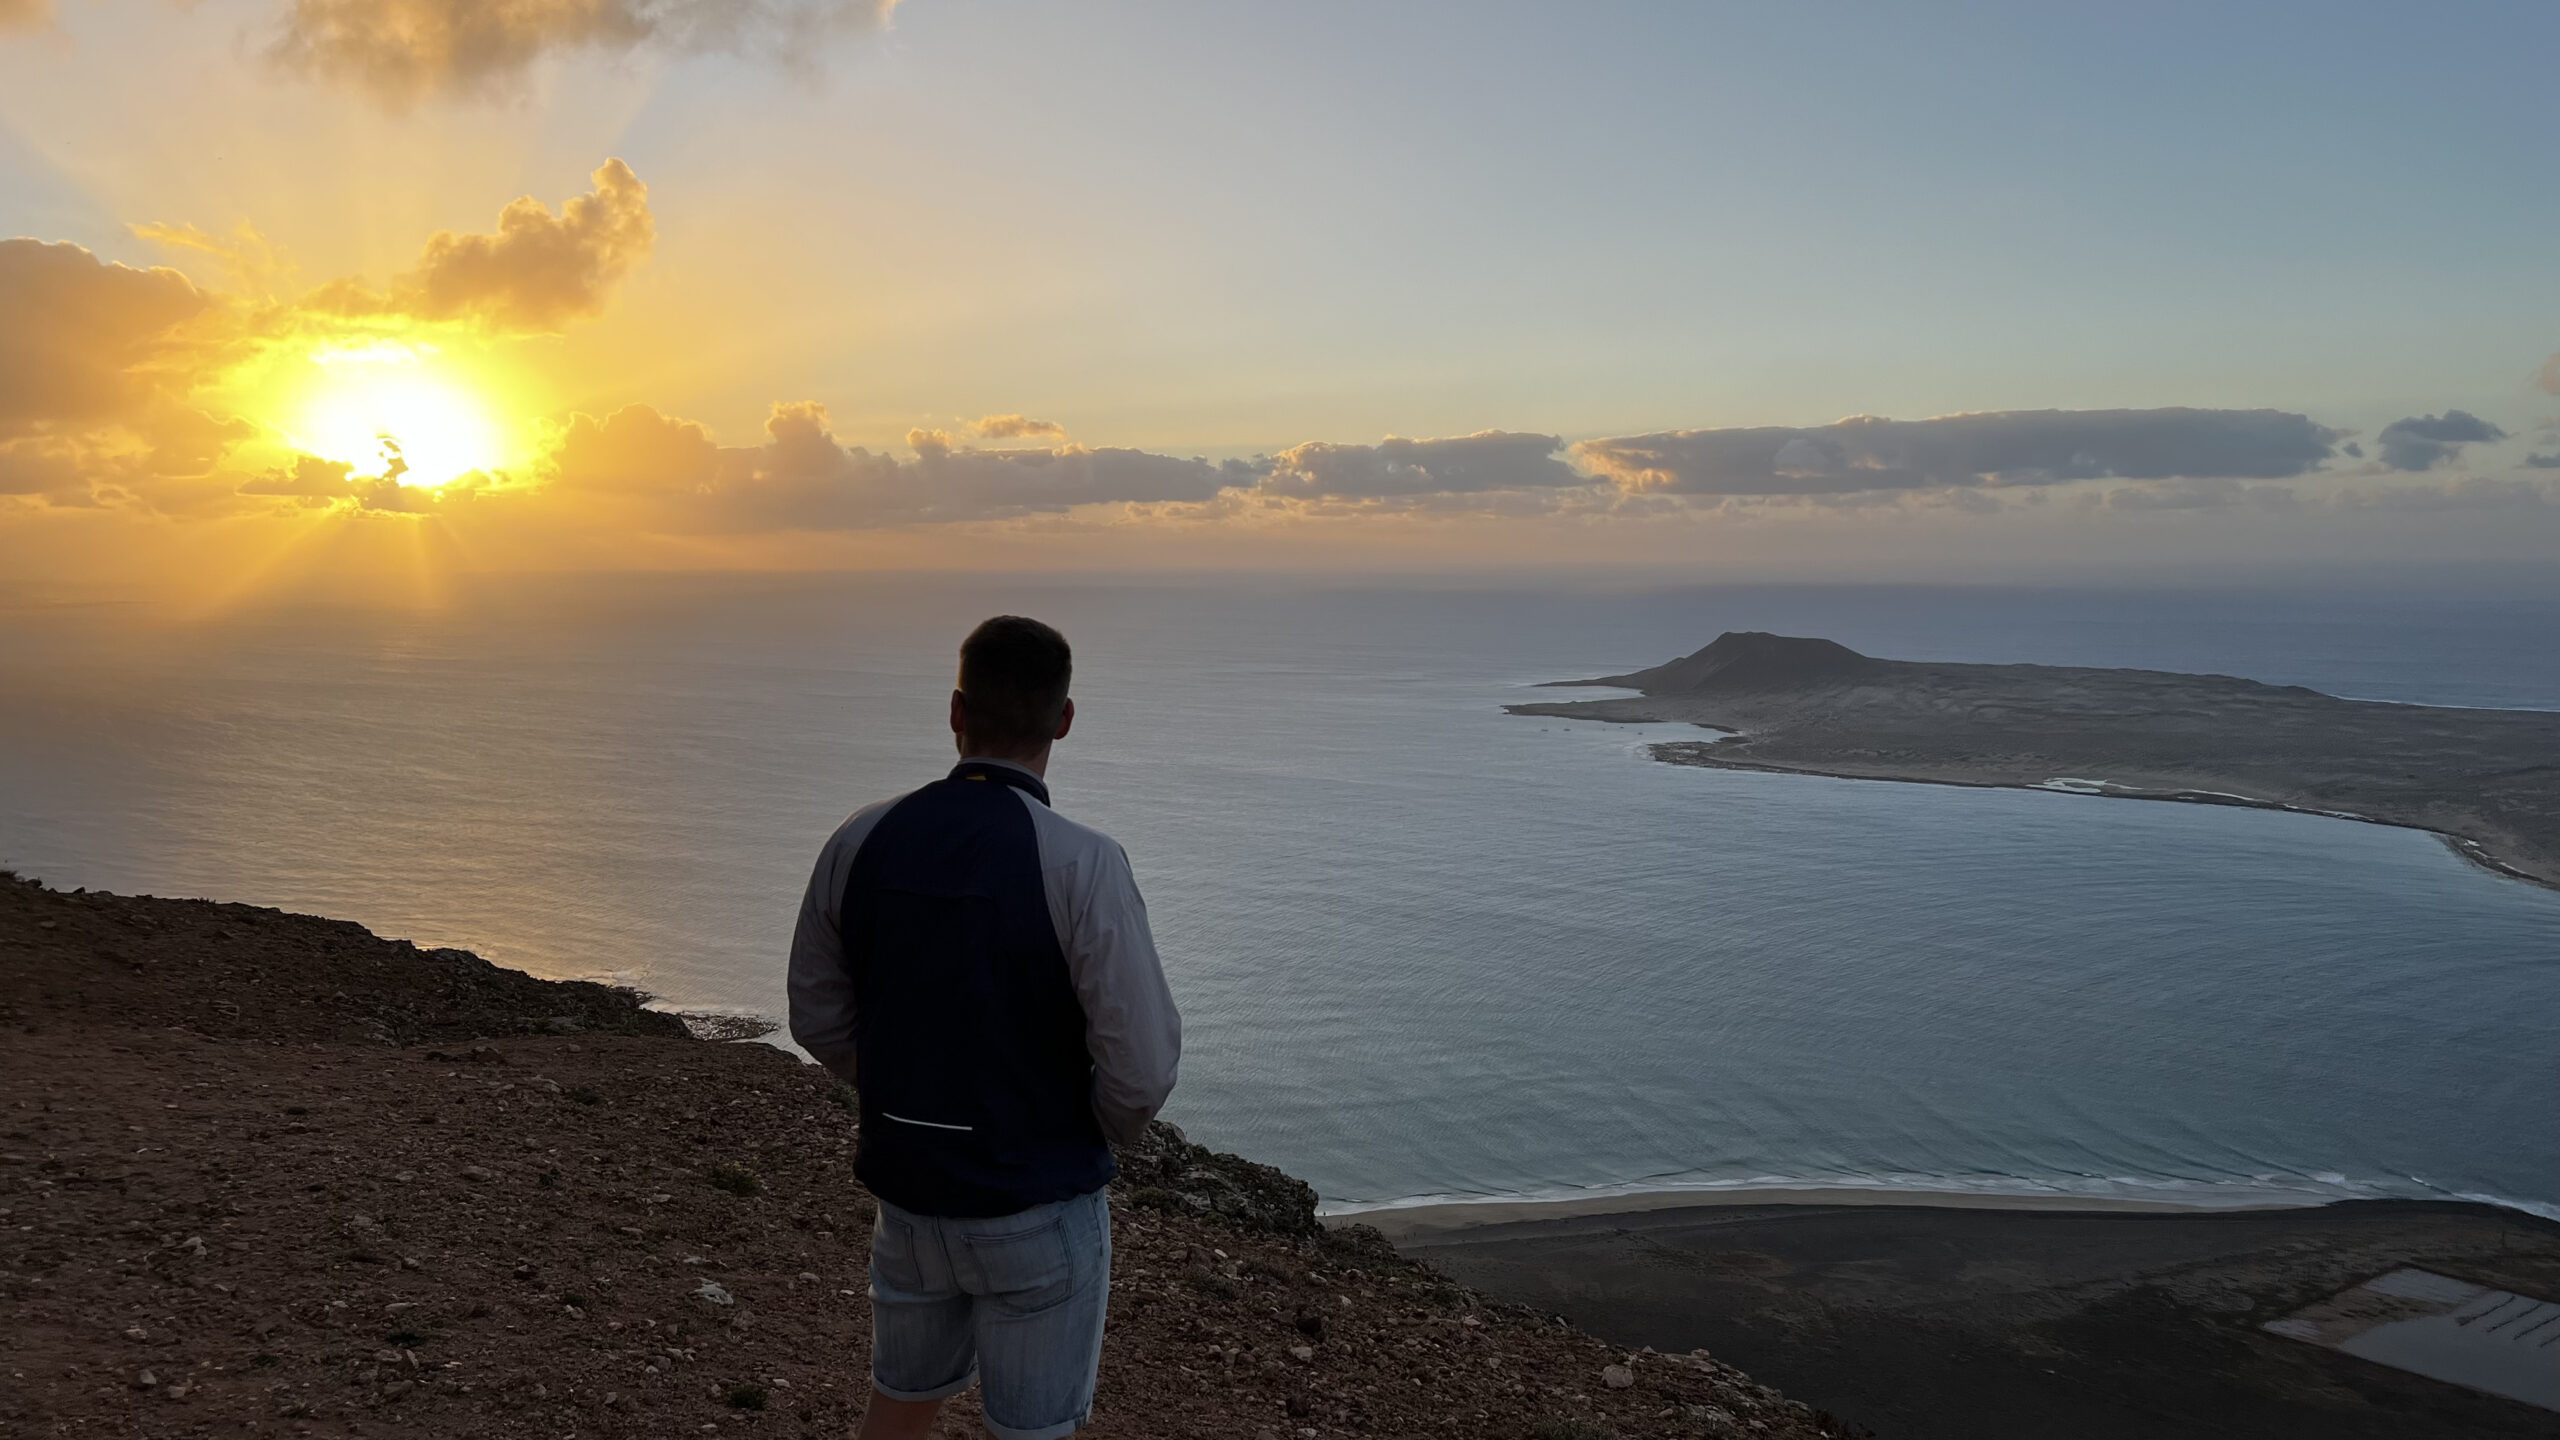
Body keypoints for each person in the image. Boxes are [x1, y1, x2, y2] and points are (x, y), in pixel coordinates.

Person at [788, 615, 1181, 1440]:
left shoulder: (860, 839)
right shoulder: (1082, 862)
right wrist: (1076, 1121)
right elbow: (1140, 1071)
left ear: (956, 710)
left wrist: (900, 1083)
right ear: (1064, 719)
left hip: (910, 1197)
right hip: (1037, 1201)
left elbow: (817, 1015)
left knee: (897, 1406)